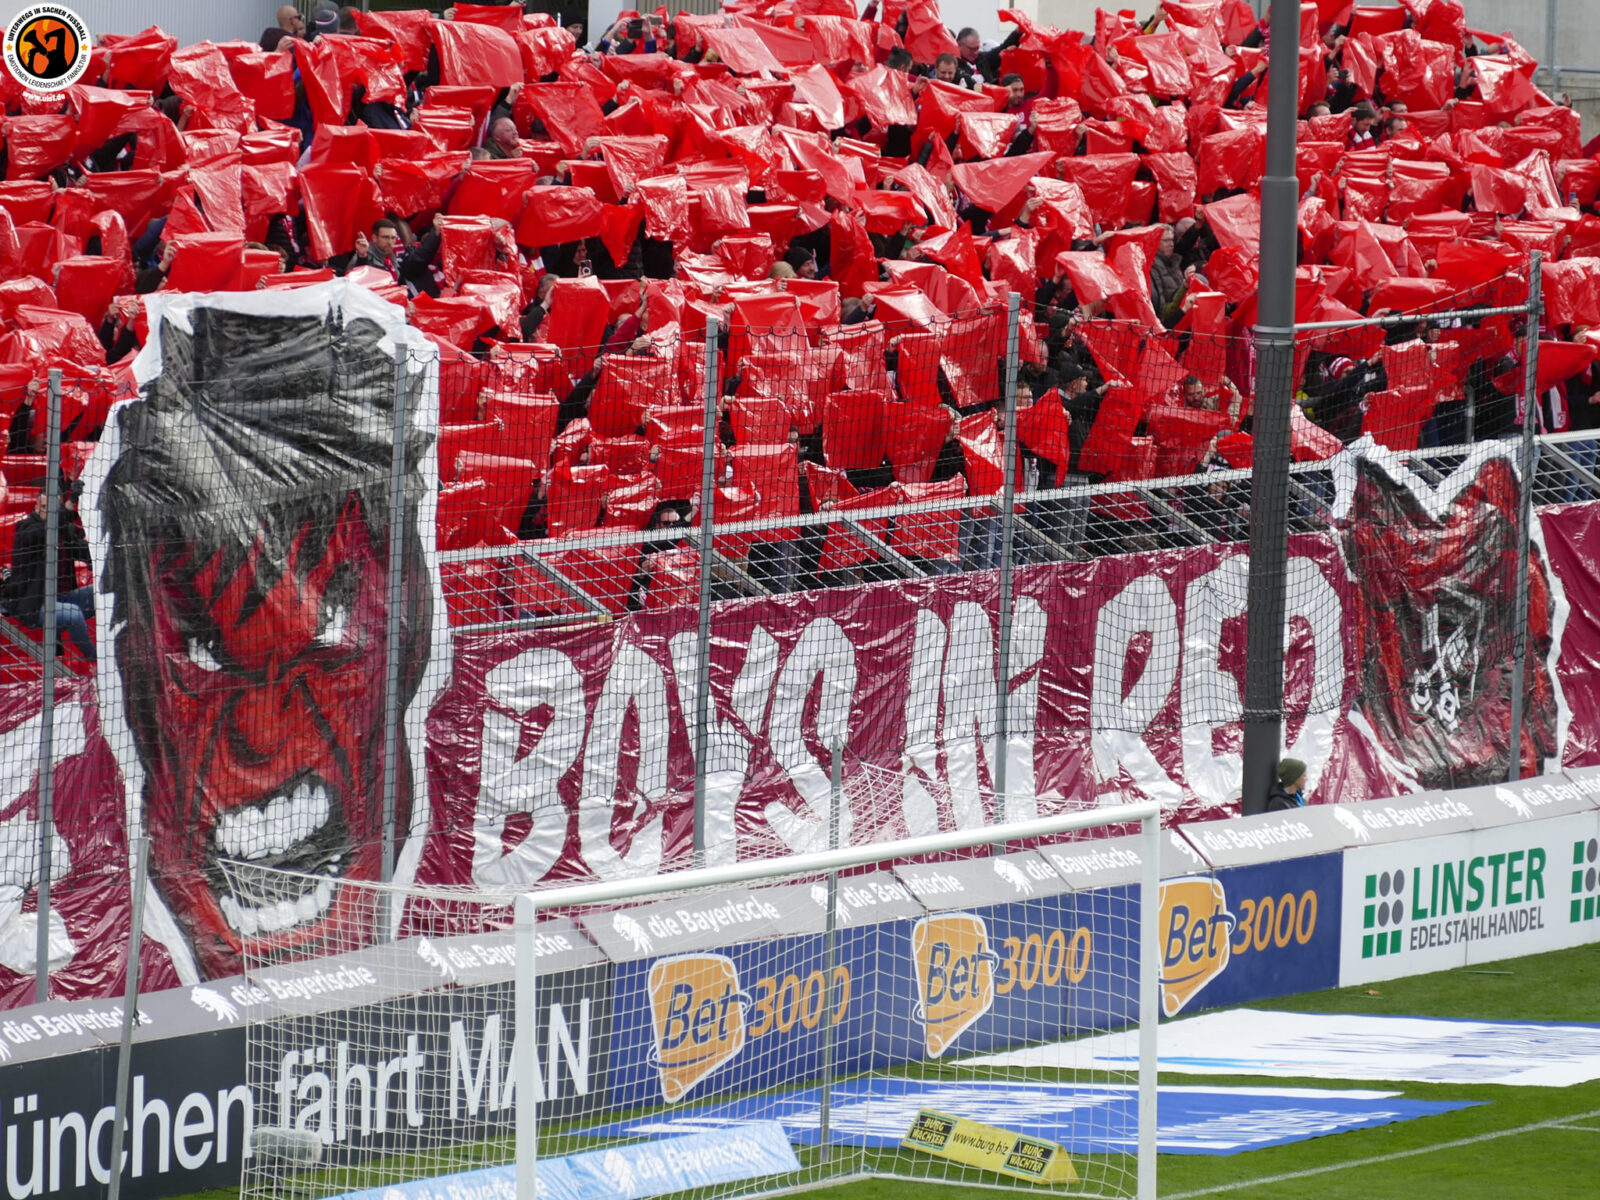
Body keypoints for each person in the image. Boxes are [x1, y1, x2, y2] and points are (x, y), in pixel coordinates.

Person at [4, 485, 96, 662]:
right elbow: (47, 530)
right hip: (33, 605)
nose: (47, 513)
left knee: (97, 594)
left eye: (54, 508)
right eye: (44, 508)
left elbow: (82, 549)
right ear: (36, 506)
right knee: (74, 613)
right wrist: (69, 504)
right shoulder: (27, 530)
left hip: (61, 598)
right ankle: (95, 660)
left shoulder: (63, 531)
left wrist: (100, 558)